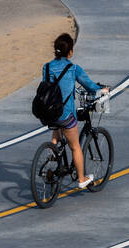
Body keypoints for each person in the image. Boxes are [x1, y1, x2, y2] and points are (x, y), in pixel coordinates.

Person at [42, 33, 109, 188]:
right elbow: (90, 86)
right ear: (70, 51)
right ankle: (81, 179)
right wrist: (102, 89)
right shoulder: (73, 69)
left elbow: (49, 88)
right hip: (65, 113)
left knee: (56, 122)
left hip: (47, 112)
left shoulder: (46, 67)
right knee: (75, 146)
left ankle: (52, 150)